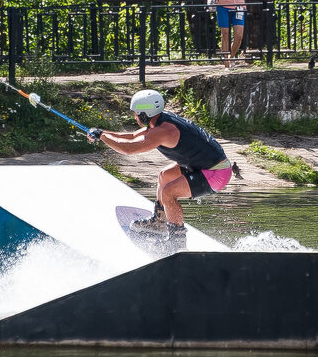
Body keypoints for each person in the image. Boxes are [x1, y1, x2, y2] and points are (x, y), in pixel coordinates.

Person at [89, 89, 233, 251]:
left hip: (217, 173)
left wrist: (102, 137)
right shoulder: (160, 121)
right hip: (201, 166)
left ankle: (177, 241)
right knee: (165, 176)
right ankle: (159, 222)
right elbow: (132, 136)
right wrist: (101, 132)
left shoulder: (163, 131)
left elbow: (128, 149)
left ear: (145, 114)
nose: (134, 117)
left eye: (136, 113)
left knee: (168, 192)